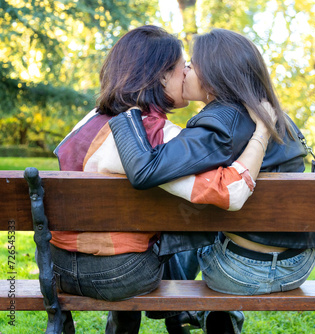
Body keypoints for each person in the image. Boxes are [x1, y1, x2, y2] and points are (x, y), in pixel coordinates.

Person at [51, 25, 274, 334]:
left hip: (58, 267)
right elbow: (231, 193)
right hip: (118, 275)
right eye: (182, 66)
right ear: (159, 76)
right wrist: (262, 132)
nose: (188, 73)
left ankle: (152, 320)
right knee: (199, 218)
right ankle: (197, 317)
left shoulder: (89, 120)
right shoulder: (155, 135)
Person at [109, 28, 315, 333]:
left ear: (214, 75)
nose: (184, 70)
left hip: (240, 272)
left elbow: (147, 170)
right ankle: (210, 317)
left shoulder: (217, 125)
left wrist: (127, 111)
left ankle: (192, 314)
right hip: (298, 267)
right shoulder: (276, 115)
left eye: (191, 64)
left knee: (185, 223)